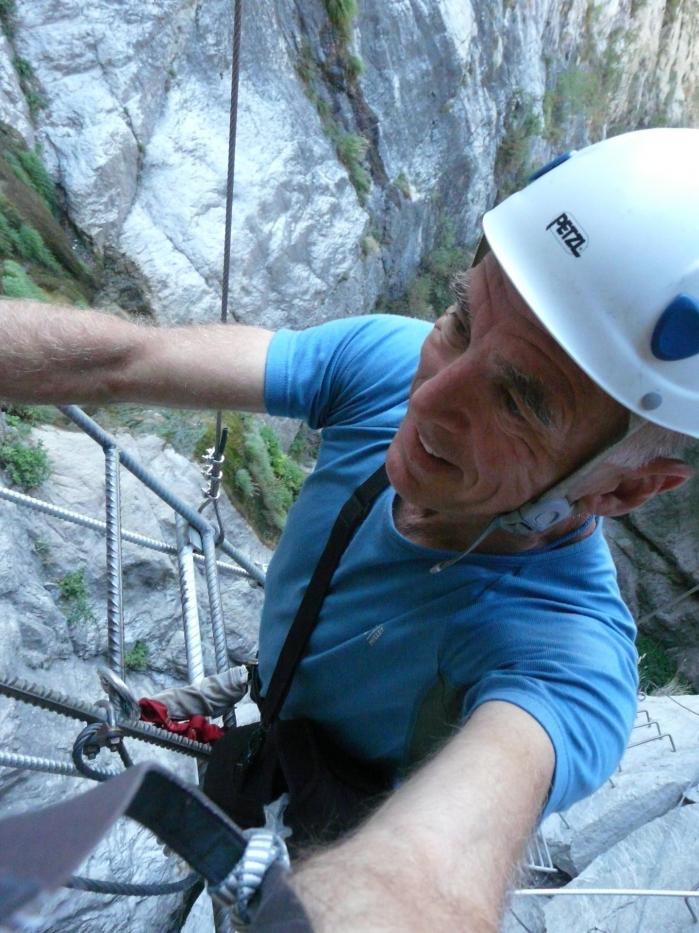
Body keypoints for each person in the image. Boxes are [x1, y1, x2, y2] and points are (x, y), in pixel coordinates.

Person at [1, 127, 698, 931]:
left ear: (627, 486)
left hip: (335, 822)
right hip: (269, 697)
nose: (430, 398)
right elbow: (118, 363)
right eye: (463, 321)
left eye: (519, 400)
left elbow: (427, 874)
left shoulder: (562, 657)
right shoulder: (386, 362)